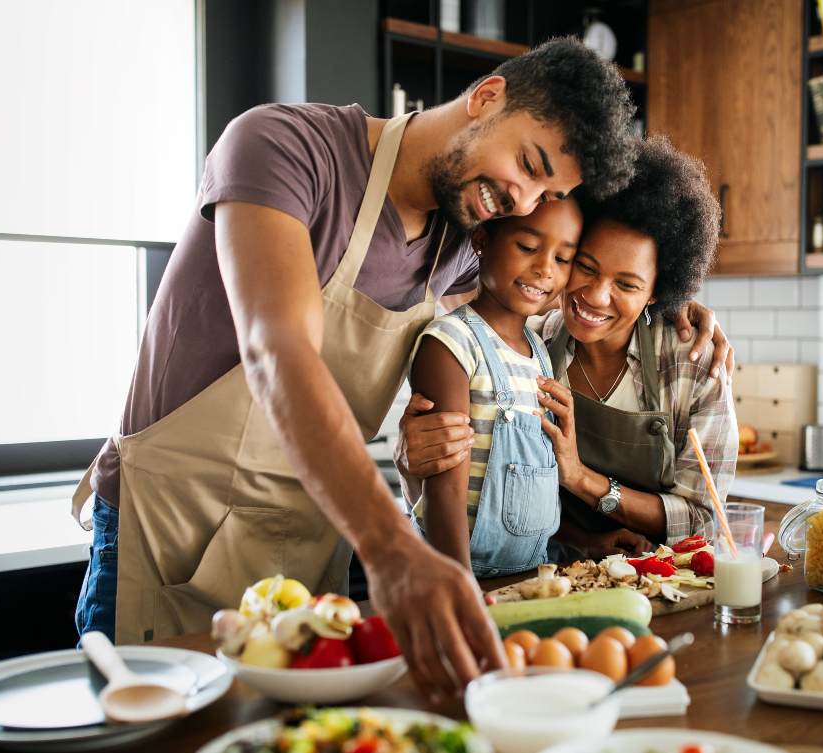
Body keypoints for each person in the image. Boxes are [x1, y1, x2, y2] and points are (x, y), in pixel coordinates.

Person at [71, 36, 639, 701]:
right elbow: (277, 352)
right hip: (173, 529)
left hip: (303, 548)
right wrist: (393, 546)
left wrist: (672, 324)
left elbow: (533, 318)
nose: (522, 200)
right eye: (528, 163)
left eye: (548, 190)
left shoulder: (459, 246)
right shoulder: (282, 148)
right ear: (487, 98)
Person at [400, 137, 739, 562]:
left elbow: (704, 516)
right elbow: (467, 482)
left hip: (662, 578)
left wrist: (582, 479)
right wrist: (414, 450)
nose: (596, 296)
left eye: (627, 285)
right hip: (550, 573)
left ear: (658, 293)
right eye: (585, 265)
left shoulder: (693, 364)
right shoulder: (533, 341)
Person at [409, 199, 581, 576]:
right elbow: (446, 487)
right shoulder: (450, 343)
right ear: (481, 239)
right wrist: (460, 586)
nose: (544, 269)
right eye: (528, 247)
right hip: (453, 574)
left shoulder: (539, 353)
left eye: (563, 258)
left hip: (529, 575)